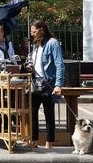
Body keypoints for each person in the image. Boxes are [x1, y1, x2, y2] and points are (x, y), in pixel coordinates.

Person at [27, 20, 65, 149]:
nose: (32, 34)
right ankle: (34, 141)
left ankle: (49, 142)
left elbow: (60, 64)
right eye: (31, 32)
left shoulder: (53, 43)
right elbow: (35, 62)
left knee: (49, 113)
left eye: (34, 31)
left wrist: (58, 84)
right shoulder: (36, 45)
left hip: (48, 82)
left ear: (41, 30)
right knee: (32, 113)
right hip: (35, 81)